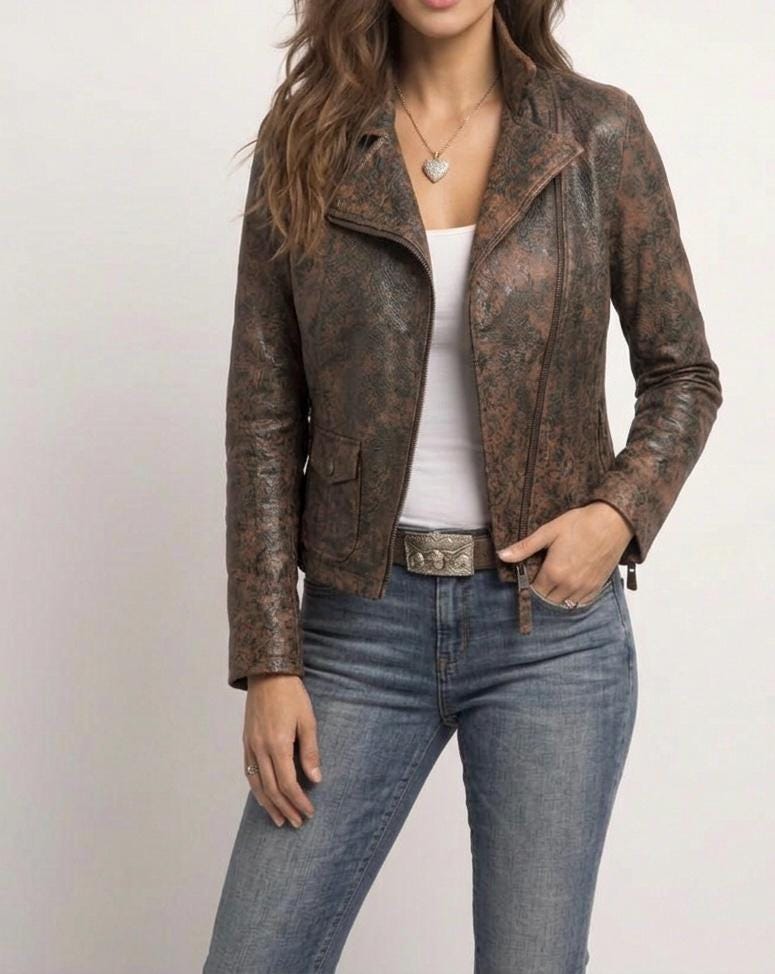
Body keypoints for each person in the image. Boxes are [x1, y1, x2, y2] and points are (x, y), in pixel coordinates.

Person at [203, 1, 723, 970]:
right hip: (359, 630)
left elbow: (683, 372)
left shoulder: (595, 131)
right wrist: (269, 659)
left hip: (549, 638)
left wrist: (617, 513)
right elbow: (264, 416)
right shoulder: (308, 139)